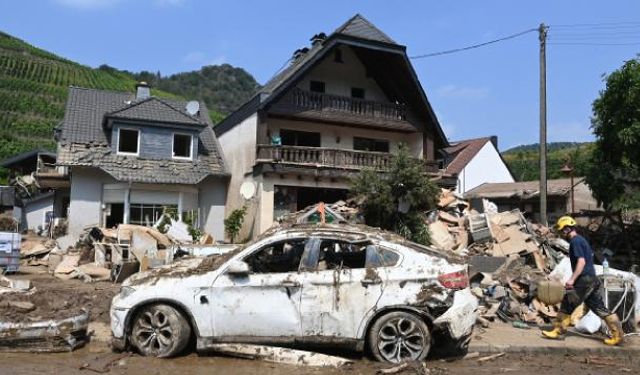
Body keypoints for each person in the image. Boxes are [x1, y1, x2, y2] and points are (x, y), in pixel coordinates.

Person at [542, 216, 623, 345]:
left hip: (584, 279)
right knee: (598, 307)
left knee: (568, 302)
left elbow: (581, 261)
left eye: (562, 230)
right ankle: (617, 335)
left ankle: (558, 331)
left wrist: (572, 279)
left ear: (568, 229)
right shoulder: (581, 240)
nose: (561, 233)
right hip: (592, 278)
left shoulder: (575, 241)